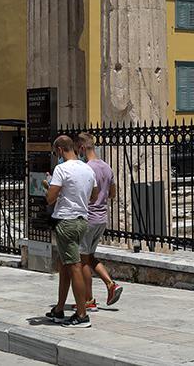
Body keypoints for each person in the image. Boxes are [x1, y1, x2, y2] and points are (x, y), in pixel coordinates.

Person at [43, 135, 98, 328]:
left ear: (59, 150)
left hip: (66, 221)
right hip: (82, 220)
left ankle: (82, 314)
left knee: (74, 266)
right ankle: (59, 309)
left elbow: (50, 198)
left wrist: (47, 186)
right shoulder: (87, 169)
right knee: (64, 264)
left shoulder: (61, 168)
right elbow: (95, 194)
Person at [75, 132, 123, 310]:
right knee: (90, 256)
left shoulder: (87, 168)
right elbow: (112, 194)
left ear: (81, 148)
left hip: (89, 218)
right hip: (102, 218)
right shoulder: (106, 167)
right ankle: (111, 285)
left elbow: (83, 194)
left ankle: (89, 300)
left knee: (83, 261)